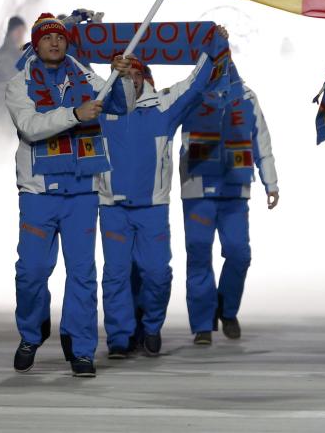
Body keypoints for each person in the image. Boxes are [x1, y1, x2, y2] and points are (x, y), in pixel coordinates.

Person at [5, 13, 134, 377]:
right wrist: (75, 113)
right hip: (38, 191)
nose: (55, 43)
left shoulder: (85, 74)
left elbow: (121, 105)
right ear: (35, 43)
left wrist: (120, 77)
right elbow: (30, 127)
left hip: (82, 189)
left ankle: (81, 348)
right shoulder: (19, 83)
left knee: (82, 273)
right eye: (47, 38)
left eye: (59, 38)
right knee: (31, 272)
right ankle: (32, 333)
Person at [98, 29, 227, 359]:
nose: (133, 80)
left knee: (156, 273)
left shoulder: (163, 106)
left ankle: (151, 326)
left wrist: (213, 48)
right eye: (127, 74)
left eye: (137, 74)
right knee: (116, 276)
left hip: (152, 207)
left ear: (145, 77)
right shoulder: (101, 105)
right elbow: (66, 71)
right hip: (111, 205)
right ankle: (120, 337)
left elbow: (195, 82)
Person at [180, 70, 279, 345]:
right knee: (198, 253)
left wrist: (270, 181)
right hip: (197, 184)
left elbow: (261, 139)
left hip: (235, 185)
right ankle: (202, 323)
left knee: (239, 254)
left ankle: (226, 308)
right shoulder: (191, 93)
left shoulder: (246, 96)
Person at [0, 15, 28, 84]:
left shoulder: (22, 51)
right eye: (18, 30)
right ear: (10, 31)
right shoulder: (3, 53)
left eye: (23, 31)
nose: (21, 34)